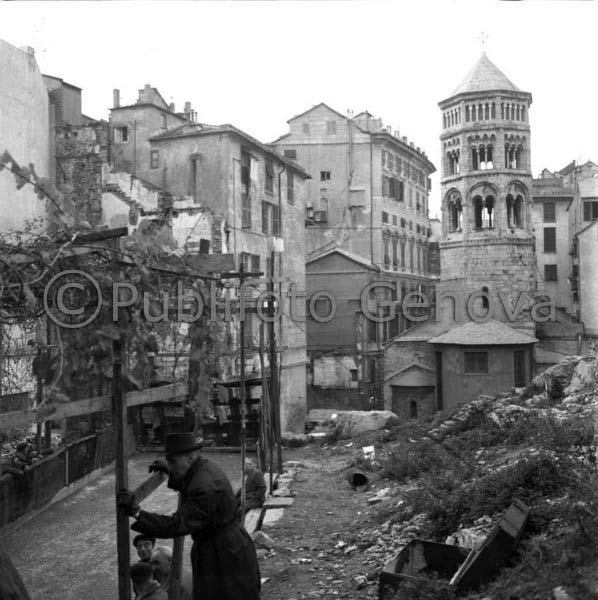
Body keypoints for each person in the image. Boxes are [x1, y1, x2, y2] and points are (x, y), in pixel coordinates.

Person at [117, 432, 261, 600]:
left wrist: (136, 512)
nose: (171, 467)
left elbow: (175, 525)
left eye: (173, 462)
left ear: (190, 457)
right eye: (169, 462)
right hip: (229, 545)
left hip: (223, 555)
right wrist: (168, 469)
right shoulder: (204, 467)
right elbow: (189, 481)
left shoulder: (203, 488)